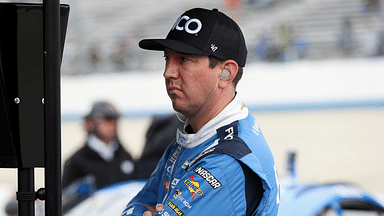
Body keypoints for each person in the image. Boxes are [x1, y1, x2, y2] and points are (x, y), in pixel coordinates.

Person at [121, 8, 280, 216]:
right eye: (167, 58)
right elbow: (138, 205)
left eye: (184, 60)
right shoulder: (195, 137)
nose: (168, 72)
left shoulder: (226, 161)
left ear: (226, 73)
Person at [62, 101, 135, 190]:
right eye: (107, 119)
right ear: (90, 122)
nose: (112, 125)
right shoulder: (77, 161)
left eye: (115, 120)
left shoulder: (125, 156)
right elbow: (66, 197)